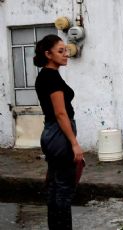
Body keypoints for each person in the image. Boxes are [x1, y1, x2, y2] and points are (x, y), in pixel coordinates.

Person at [34, 34, 84, 229]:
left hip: (50, 133)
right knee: (64, 188)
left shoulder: (44, 75)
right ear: (48, 54)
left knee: (55, 186)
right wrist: (74, 143)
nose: (66, 55)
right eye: (60, 51)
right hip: (59, 135)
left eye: (66, 50)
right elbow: (61, 113)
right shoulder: (52, 77)